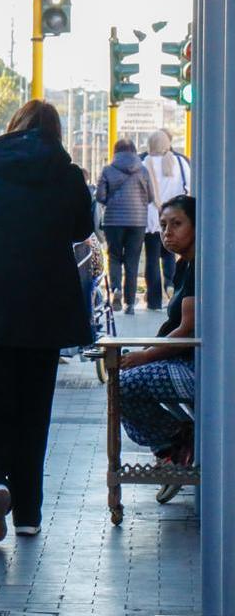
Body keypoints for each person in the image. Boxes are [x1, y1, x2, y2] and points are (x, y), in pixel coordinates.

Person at [0, 101, 94, 542]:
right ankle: (29, 514)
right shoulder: (67, 175)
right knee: (35, 414)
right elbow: (81, 228)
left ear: (14, 128)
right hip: (45, 316)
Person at [118, 195, 196, 501]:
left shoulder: (200, 266)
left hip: (197, 366)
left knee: (124, 385)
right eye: (163, 225)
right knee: (122, 378)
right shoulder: (183, 266)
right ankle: (173, 448)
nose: (167, 233)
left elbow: (186, 330)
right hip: (185, 361)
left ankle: (174, 442)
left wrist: (145, 355)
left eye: (177, 224)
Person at [97, 139, 154, 314]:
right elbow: (151, 196)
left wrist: (111, 202)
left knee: (114, 256)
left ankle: (116, 290)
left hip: (113, 220)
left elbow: (100, 196)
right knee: (132, 261)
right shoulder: (143, 170)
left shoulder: (108, 170)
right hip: (137, 221)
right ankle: (130, 303)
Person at [141, 130, 191, 310]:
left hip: (153, 220)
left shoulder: (145, 163)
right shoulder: (179, 162)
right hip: (177, 218)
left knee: (152, 259)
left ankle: (154, 301)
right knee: (171, 254)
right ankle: (171, 286)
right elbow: (189, 186)